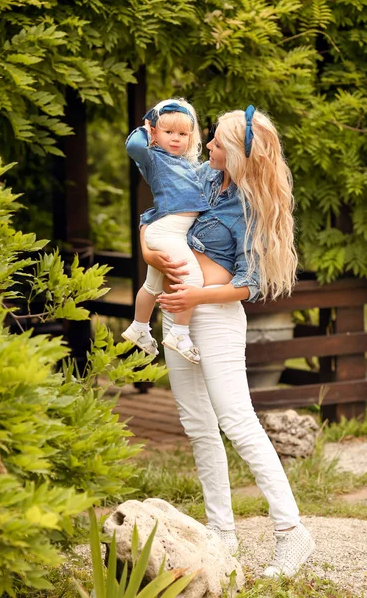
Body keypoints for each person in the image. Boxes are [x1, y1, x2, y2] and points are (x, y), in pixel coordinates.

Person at [141, 105, 316, 578]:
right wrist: (147, 247)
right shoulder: (202, 177)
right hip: (179, 316)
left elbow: (251, 283)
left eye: (217, 142)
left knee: (237, 422)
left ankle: (291, 531)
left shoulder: (252, 205)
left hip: (215, 317)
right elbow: (155, 217)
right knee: (198, 427)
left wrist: (195, 294)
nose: (208, 145)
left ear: (239, 156)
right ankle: (223, 535)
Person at [122, 98, 210, 364]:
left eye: (183, 134)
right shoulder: (153, 157)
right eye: (168, 132)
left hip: (169, 232)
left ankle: (139, 327)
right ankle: (179, 333)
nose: (175, 139)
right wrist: (146, 128)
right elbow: (133, 146)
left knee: (152, 286)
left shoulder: (186, 163)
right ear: (156, 135)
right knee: (192, 280)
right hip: (167, 231)